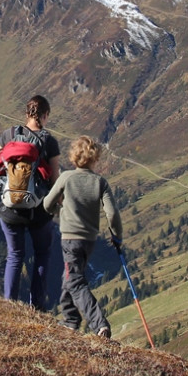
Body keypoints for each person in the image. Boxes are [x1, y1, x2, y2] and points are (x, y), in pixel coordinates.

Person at [0, 94, 60, 310]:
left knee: (15, 255)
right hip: (38, 210)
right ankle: (38, 307)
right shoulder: (49, 142)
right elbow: (54, 180)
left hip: (10, 209)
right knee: (42, 254)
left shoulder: (9, 135)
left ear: (27, 114)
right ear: (45, 115)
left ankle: (10, 306)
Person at [43, 135, 122, 338]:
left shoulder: (66, 178)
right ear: (94, 159)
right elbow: (112, 213)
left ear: (74, 157)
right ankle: (70, 320)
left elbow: (47, 203)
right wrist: (116, 236)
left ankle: (99, 324)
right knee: (70, 276)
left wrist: (58, 212)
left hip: (70, 238)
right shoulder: (100, 182)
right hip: (89, 239)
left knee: (75, 281)